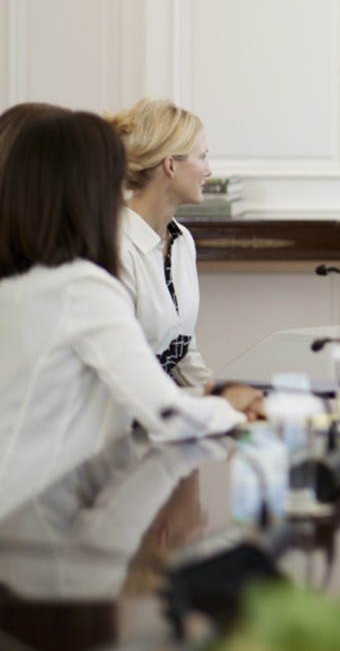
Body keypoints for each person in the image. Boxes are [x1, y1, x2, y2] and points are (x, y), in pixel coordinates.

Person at [0, 110, 250, 523]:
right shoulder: (81, 286)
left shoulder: (28, 284)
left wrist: (212, 394)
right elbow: (163, 415)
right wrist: (229, 407)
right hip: (41, 516)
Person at [106, 100, 258, 418]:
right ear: (170, 166)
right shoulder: (115, 249)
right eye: (202, 157)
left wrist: (229, 402)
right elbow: (122, 379)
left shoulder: (182, 240)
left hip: (165, 417)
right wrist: (217, 408)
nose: (209, 170)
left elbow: (183, 353)